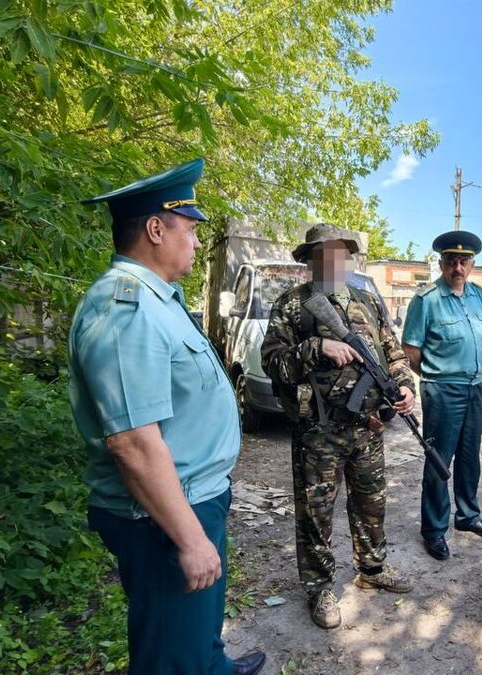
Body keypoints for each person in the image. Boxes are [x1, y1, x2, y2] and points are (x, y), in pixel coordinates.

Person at [69, 158, 266, 675]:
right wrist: (190, 538)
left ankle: (212, 663)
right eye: (190, 230)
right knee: (171, 654)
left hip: (190, 497)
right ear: (156, 230)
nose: (197, 243)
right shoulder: (127, 310)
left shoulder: (158, 301)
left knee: (194, 627)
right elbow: (133, 443)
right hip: (162, 514)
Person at [261, 224, 415, 629]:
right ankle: (319, 587)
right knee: (316, 513)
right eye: (323, 254)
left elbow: (394, 355)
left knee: (372, 504)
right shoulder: (293, 304)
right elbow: (272, 362)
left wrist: (404, 386)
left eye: (339, 254)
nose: (332, 261)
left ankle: (372, 569)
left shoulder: (368, 301)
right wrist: (316, 347)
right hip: (319, 431)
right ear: (310, 261)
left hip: (368, 428)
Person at [401, 230, 482, 561]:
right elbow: (411, 350)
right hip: (443, 389)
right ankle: (434, 529)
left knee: (470, 456)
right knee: (439, 460)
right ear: (441, 264)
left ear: (472, 264)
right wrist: (435, 377)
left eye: (464, 261)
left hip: (476, 387)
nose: (457, 267)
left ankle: (468, 515)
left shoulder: (480, 296)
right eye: (451, 261)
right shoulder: (426, 300)